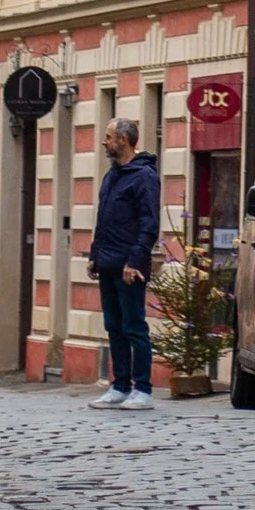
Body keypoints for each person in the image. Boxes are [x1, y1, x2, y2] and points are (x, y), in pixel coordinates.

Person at [88, 115, 161, 409]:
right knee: (113, 326)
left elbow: (149, 224)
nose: (104, 141)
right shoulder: (111, 176)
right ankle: (119, 386)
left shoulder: (143, 176)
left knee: (134, 326)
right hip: (107, 262)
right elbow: (103, 219)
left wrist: (135, 261)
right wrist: (95, 255)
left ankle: (142, 389)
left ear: (124, 140)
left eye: (108, 136)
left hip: (130, 265)